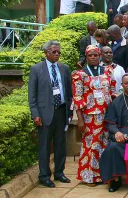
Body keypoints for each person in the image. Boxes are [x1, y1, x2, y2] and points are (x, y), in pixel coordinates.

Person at [28, 40, 73, 188]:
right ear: (46, 53)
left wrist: (69, 111)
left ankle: (59, 173)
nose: (57, 54)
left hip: (61, 111)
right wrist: (35, 114)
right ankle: (44, 176)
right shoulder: (36, 69)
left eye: (59, 52)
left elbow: (68, 92)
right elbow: (32, 95)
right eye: (54, 52)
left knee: (61, 145)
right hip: (44, 113)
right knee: (45, 147)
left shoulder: (64, 68)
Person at [71, 45, 116, 185]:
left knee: (106, 144)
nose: (92, 57)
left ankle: (105, 174)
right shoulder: (80, 75)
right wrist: (80, 120)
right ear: (86, 57)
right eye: (89, 55)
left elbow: (113, 92)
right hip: (90, 117)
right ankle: (90, 176)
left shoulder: (108, 71)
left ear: (99, 56)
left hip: (107, 114)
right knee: (92, 145)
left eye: (95, 55)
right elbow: (77, 98)